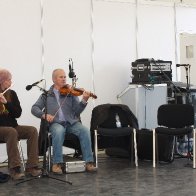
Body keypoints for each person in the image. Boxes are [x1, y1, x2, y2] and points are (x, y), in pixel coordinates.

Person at [31, 68, 97, 174]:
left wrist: (84, 100)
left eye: (65, 76)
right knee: (58, 131)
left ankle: (89, 162)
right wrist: (44, 115)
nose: (64, 79)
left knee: (84, 130)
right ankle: (57, 164)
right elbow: (34, 108)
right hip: (56, 123)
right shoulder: (47, 95)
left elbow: (77, 111)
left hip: (71, 122)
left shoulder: (70, 93)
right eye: (61, 77)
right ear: (54, 79)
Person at [0, 68, 41, 180]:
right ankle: (15, 168)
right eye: (9, 79)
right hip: (2, 129)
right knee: (11, 131)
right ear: (2, 80)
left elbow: (18, 113)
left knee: (32, 130)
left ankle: (31, 166)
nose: (11, 82)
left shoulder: (12, 94)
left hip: (13, 127)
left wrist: (6, 103)